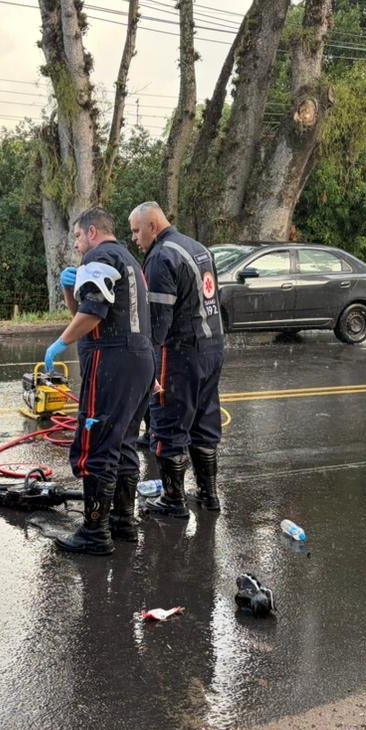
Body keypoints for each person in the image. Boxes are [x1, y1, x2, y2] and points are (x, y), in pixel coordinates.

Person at [44, 207, 155, 554]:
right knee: (123, 441)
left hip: (112, 360)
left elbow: (93, 314)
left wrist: (61, 343)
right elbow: (84, 308)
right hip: (140, 359)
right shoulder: (128, 260)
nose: (77, 246)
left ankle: (94, 533)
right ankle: (122, 521)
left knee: (96, 444)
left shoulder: (101, 255)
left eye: (77, 237)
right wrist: (69, 291)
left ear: (92, 232)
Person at [128, 201, 225, 516]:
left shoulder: (160, 258)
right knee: (204, 420)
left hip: (181, 351)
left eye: (136, 230)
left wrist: (148, 366)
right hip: (212, 346)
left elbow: (158, 322)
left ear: (152, 226)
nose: (134, 238)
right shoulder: (199, 249)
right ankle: (208, 496)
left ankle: (173, 500)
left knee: (169, 423)